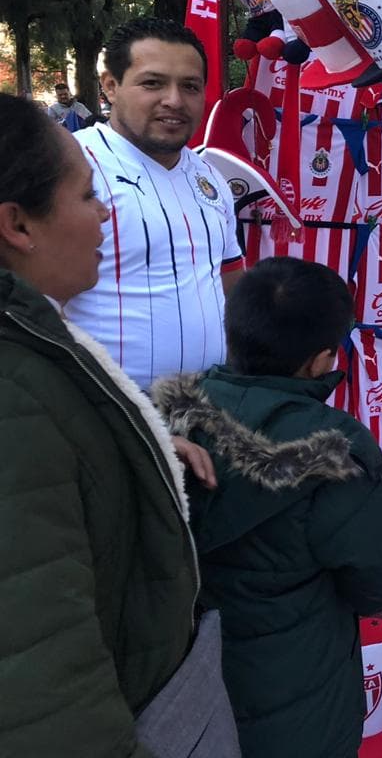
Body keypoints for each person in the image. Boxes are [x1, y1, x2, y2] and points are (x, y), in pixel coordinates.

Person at [0, 93, 234, 755]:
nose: (106, 216)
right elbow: (39, 674)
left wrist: (146, 450)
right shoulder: (14, 391)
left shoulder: (35, 341)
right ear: (18, 224)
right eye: (85, 197)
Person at [152, 256, 382, 758]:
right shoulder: (333, 451)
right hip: (294, 703)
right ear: (320, 359)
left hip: (178, 695)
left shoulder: (162, 420)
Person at [66, 17, 245, 391]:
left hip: (208, 410)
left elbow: (229, 281)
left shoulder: (211, 176)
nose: (174, 101)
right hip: (110, 417)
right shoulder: (68, 168)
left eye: (190, 86)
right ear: (111, 86)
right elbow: (32, 304)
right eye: (153, 83)